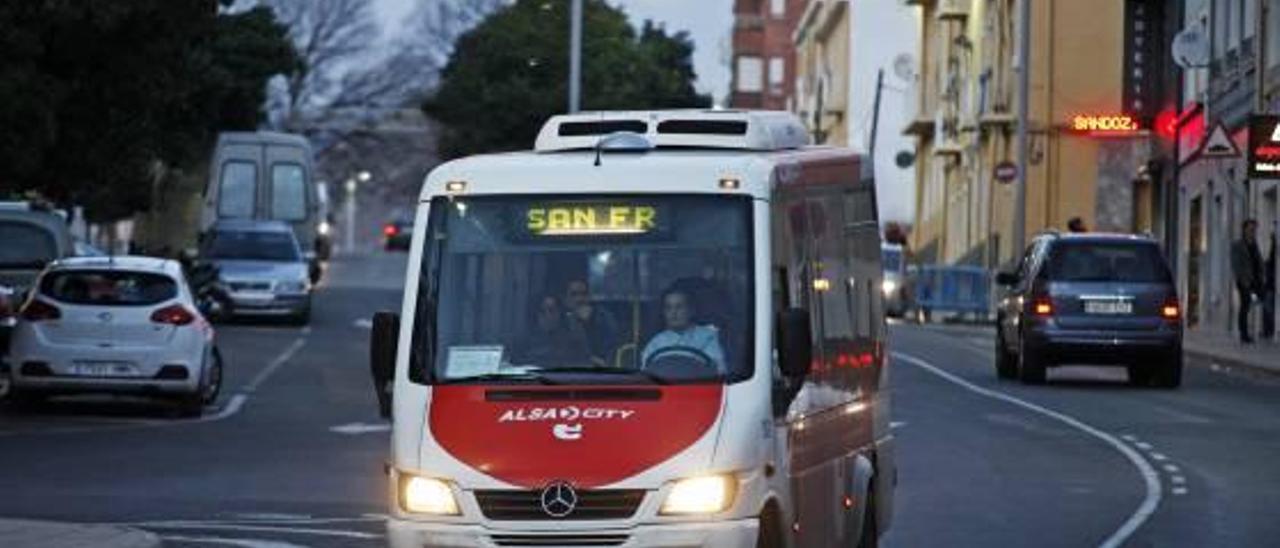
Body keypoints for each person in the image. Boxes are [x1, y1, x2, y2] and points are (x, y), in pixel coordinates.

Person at [641, 290, 725, 371]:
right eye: (668, 308)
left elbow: (717, 370)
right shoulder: (655, 342)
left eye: (679, 307)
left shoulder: (708, 337)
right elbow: (646, 373)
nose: (673, 312)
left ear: (692, 311)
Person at [514, 295, 591, 366]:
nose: (548, 316)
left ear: (560, 313)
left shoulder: (573, 340)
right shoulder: (524, 342)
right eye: (542, 311)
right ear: (536, 314)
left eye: (552, 310)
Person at [562, 279, 621, 366]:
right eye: (574, 294)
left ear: (590, 296)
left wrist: (588, 325)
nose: (580, 299)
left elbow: (609, 357)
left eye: (584, 294)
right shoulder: (559, 319)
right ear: (566, 299)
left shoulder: (604, 319)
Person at [1230, 219, 1266, 343]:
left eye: (1254, 230)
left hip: (1256, 281)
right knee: (1245, 306)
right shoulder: (1238, 245)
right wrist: (1241, 279)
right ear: (1244, 230)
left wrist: (1262, 274)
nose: (1252, 232)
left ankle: (1261, 330)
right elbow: (1235, 264)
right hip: (1244, 282)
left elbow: (1258, 261)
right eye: (1250, 229)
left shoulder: (1255, 244)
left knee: (1257, 303)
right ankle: (1243, 334)